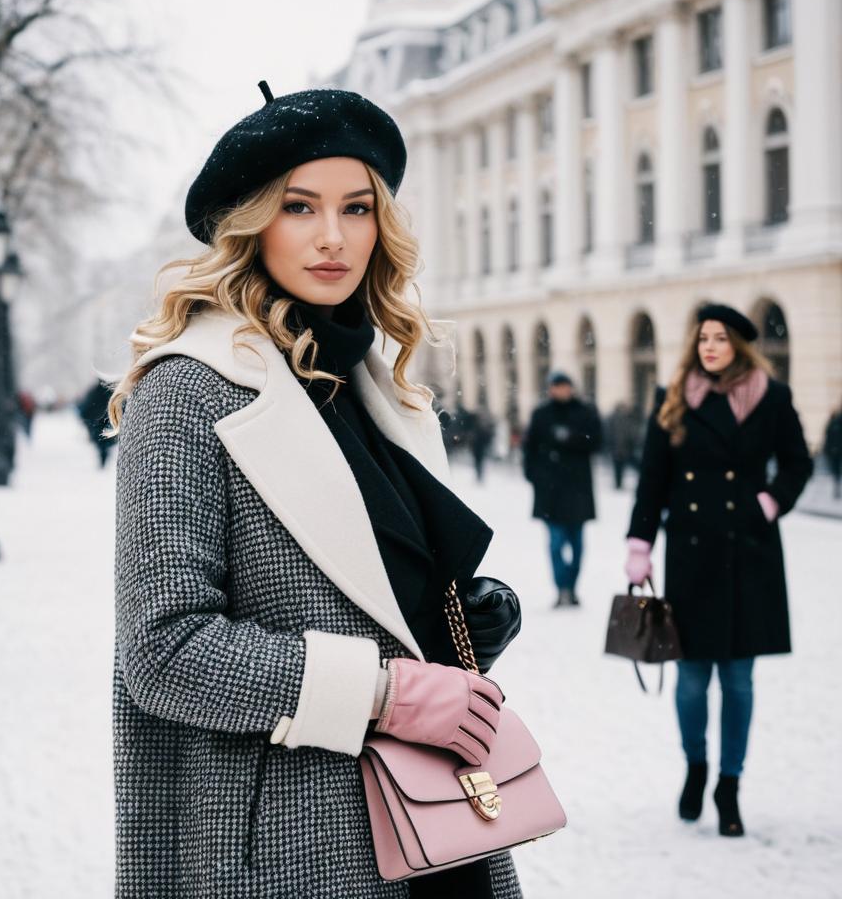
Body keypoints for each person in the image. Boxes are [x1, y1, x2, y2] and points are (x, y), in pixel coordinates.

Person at [106, 83, 522, 898]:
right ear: (251, 223)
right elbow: (164, 651)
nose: (333, 236)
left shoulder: (374, 388)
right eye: (299, 207)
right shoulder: (189, 393)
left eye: (357, 207)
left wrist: (461, 621)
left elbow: (364, 599)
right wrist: (383, 692)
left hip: (431, 825)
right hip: (286, 846)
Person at [626, 303, 812, 838]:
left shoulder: (771, 397)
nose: (709, 346)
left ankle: (729, 785)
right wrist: (640, 543)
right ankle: (696, 766)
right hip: (691, 552)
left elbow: (798, 462)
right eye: (702, 337)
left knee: (738, 679)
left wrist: (768, 504)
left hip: (749, 552)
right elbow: (652, 480)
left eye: (720, 338)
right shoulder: (674, 398)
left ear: (738, 345)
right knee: (690, 678)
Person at [522, 371, 602, 608]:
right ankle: (562, 588)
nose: (561, 390)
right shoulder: (541, 414)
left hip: (577, 489)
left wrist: (570, 438)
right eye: (556, 386)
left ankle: (572, 587)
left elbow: (596, 441)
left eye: (565, 386)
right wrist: (534, 476)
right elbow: (530, 448)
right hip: (550, 491)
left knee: (577, 544)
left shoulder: (585, 412)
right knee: (556, 543)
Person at [77, 378, 117, 468]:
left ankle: (103, 459)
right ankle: (103, 459)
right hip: (105, 421)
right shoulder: (110, 391)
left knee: (101, 443)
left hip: (97, 422)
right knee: (104, 442)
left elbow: (85, 408)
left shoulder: (93, 392)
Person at [606, 401, 642, 490]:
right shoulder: (619, 418)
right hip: (620, 447)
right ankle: (618, 484)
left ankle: (618, 484)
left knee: (619, 467)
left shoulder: (622, 418)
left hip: (622, 447)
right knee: (619, 467)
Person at [470, 404, 496, 482]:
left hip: (478, 445)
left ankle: (479, 475)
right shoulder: (483, 424)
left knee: (478, 461)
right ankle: (479, 475)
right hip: (479, 445)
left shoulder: (478, 424)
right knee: (479, 461)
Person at [823, 402, 842, 499]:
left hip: (835, 451)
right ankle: (837, 489)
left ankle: (837, 489)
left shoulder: (834, 423)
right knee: (836, 472)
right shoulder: (834, 423)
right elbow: (828, 438)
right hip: (835, 451)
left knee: (837, 472)